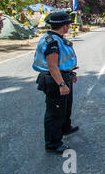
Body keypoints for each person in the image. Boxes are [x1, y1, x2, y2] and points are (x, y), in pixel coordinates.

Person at [32, 12, 79, 154]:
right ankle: (53, 143)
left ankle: (65, 127)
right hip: (55, 80)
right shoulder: (52, 41)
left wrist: (70, 74)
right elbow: (52, 65)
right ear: (64, 26)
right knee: (55, 112)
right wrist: (61, 84)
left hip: (63, 76)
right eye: (68, 24)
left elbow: (62, 61)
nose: (69, 26)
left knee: (65, 107)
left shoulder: (57, 38)